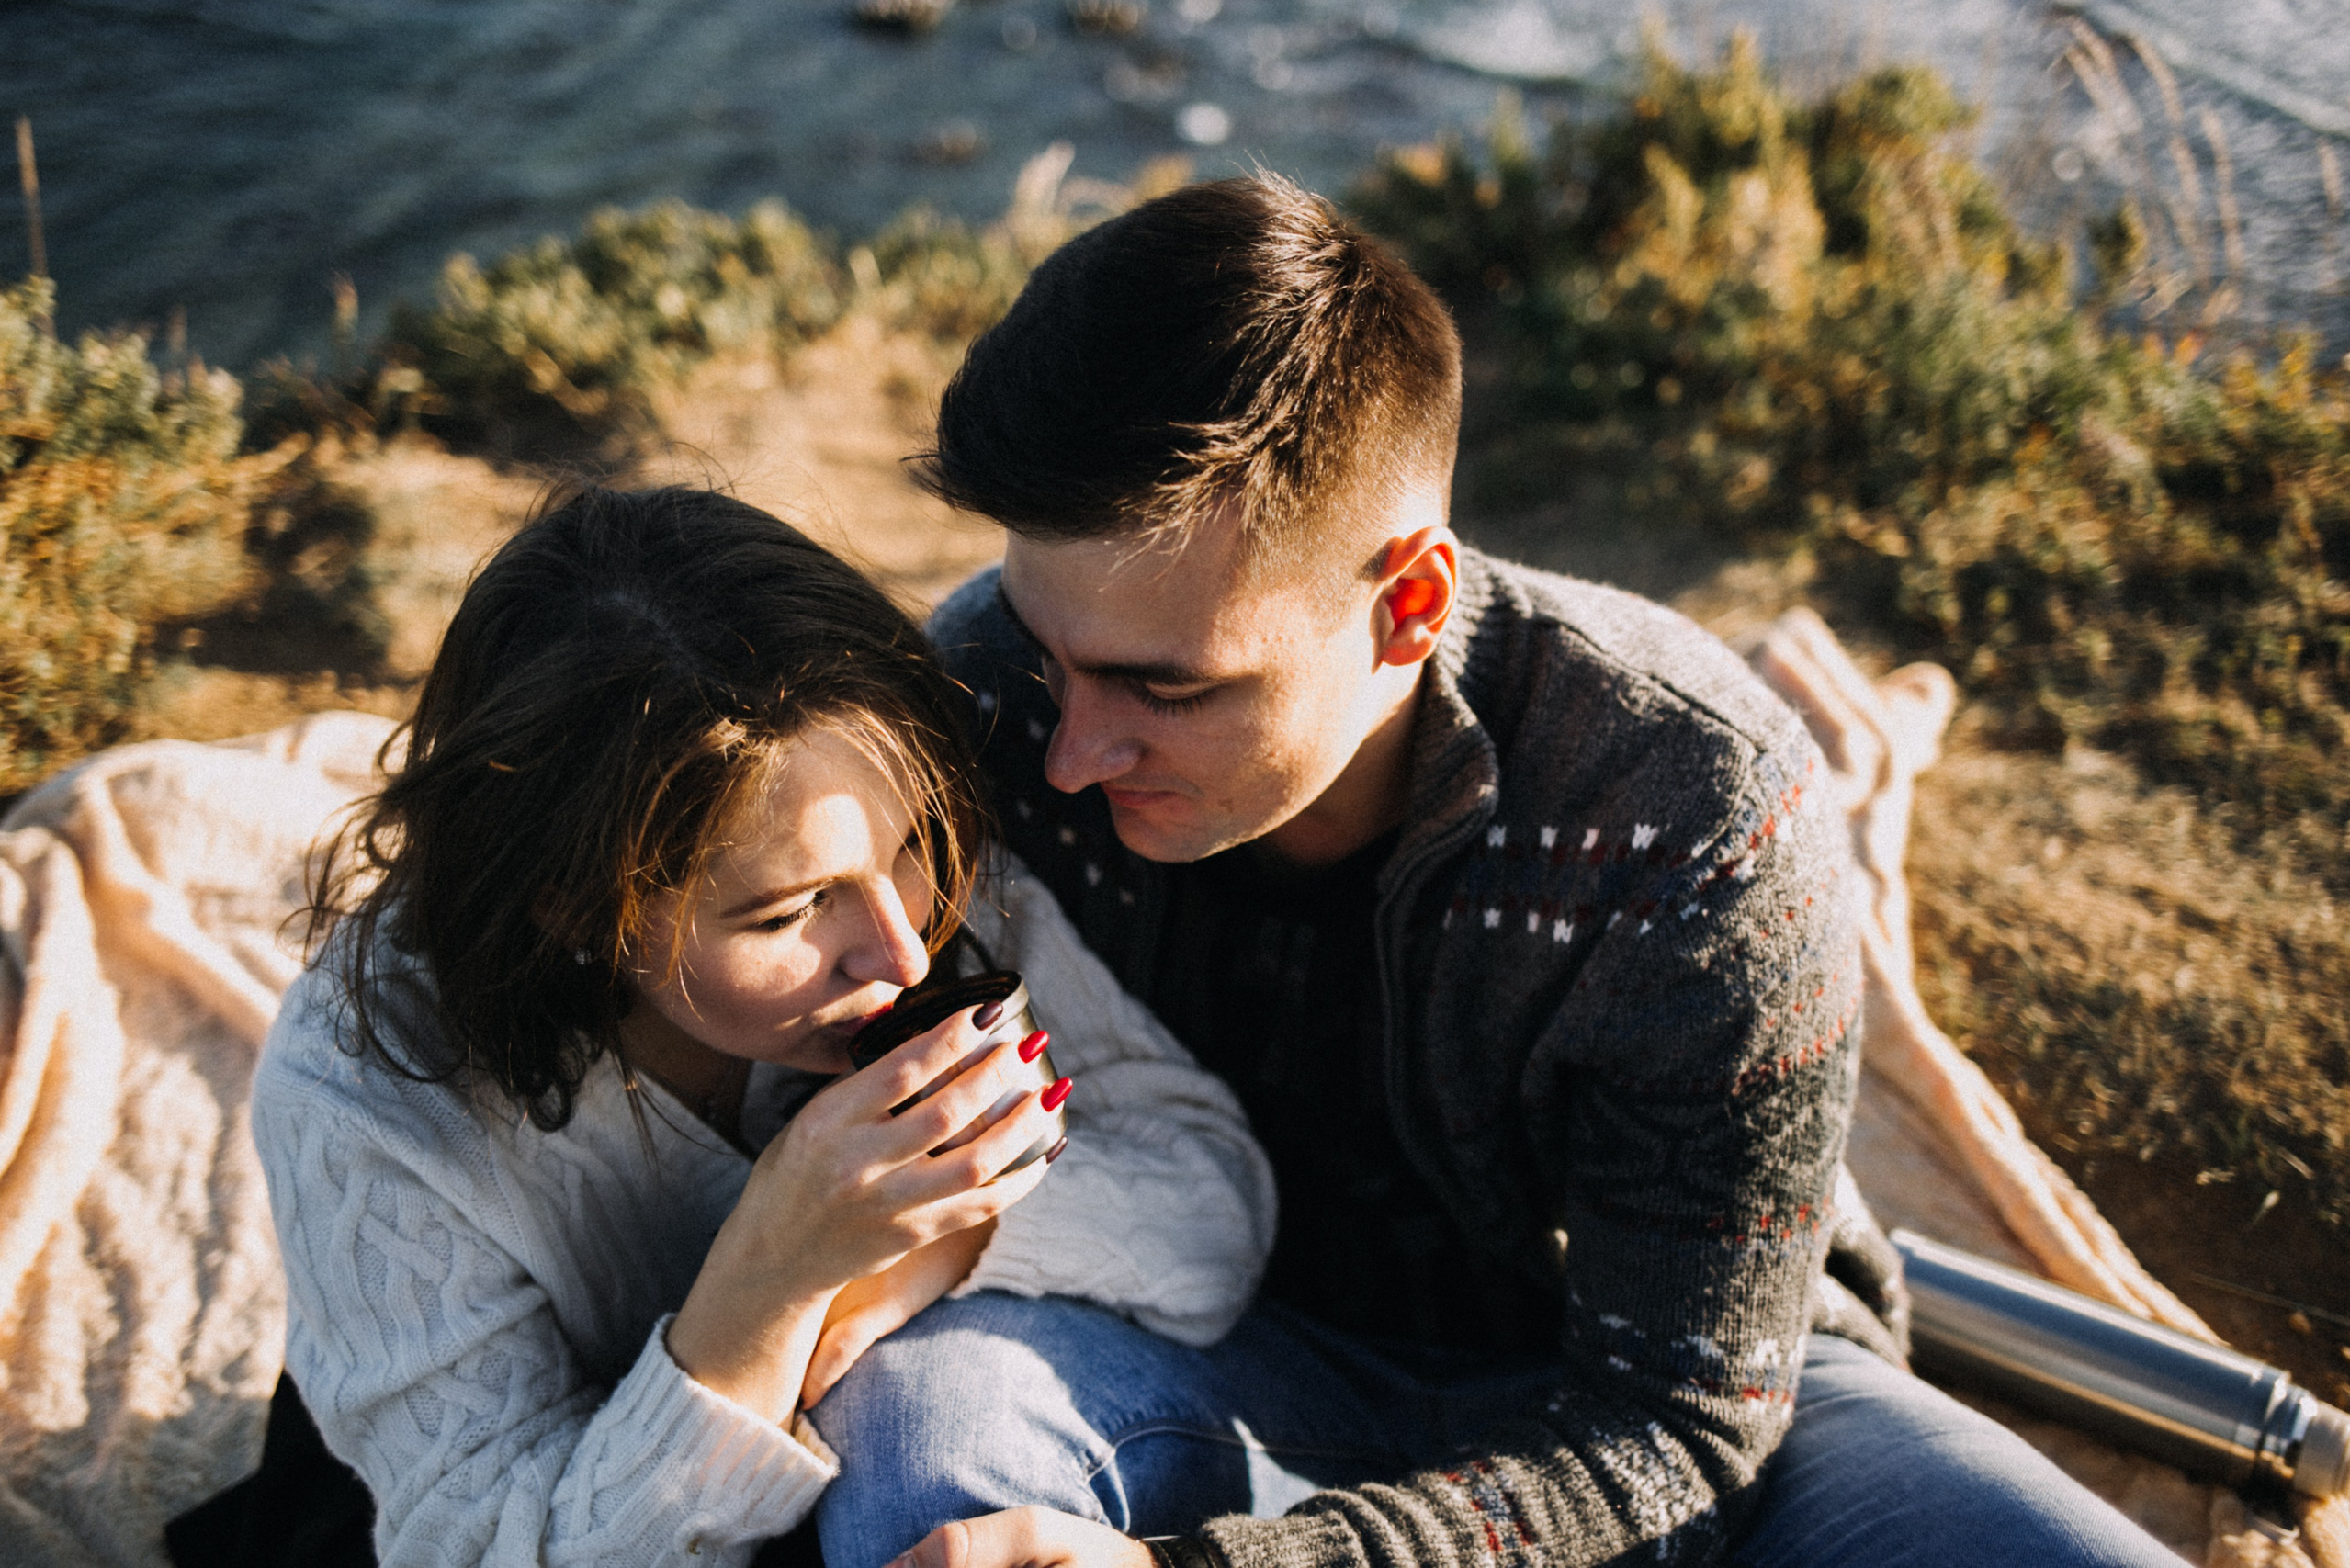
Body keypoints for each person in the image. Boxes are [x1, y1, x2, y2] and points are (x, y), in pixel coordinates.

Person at [807, 177, 2185, 1568]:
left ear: (1406, 603)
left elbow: (1684, 1428)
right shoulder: (988, 688)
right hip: (1220, 1343)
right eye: (1053, 654)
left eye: (1166, 687)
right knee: (924, 1449)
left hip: (1674, 1403)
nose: (1070, 753)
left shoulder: (1693, 811)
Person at [248, 487, 1276, 1567]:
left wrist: (933, 1244)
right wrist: (767, 1284)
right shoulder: (367, 1095)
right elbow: (483, 1547)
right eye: (790, 911)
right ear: (578, 910)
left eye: (912, 844)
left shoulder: (895, 847)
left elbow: (1213, 1208)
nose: (904, 952)